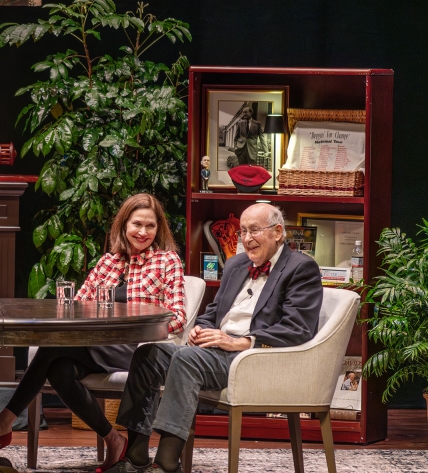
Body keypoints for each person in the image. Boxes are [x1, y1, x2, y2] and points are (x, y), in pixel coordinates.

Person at [0, 193, 187, 473]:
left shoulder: (167, 261)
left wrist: (144, 331)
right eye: (137, 224)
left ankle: (3, 422)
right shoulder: (108, 262)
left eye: (150, 226)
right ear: (123, 225)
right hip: (100, 344)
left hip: (139, 349)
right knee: (59, 367)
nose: (143, 232)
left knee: (52, 349)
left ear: (159, 229)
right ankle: (113, 439)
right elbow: (78, 306)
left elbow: (178, 317)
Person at [113, 203, 323, 473]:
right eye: (243, 232)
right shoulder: (236, 264)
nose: (247, 238)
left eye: (255, 230)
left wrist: (240, 341)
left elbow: (298, 327)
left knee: (188, 360)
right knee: (148, 355)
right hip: (214, 351)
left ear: (278, 232)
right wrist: (199, 328)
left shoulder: (301, 268)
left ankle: (166, 463)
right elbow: (214, 312)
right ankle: (136, 455)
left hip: (252, 357)